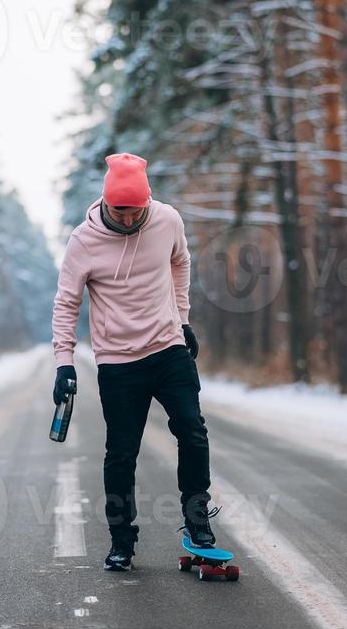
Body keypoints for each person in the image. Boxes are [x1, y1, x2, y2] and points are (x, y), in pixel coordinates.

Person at [51, 151, 220, 571]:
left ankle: (198, 523)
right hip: (117, 362)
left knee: (193, 433)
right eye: (120, 212)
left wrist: (182, 319)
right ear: (106, 203)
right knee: (121, 453)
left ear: (148, 202)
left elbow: (181, 262)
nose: (129, 221)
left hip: (168, 349)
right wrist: (64, 363)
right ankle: (122, 541)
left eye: (136, 213)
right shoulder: (83, 241)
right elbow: (66, 303)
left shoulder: (167, 220)